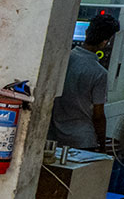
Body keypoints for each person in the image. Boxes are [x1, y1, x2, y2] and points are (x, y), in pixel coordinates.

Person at [48, 13, 118, 151]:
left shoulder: (62, 60)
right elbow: (98, 115)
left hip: (54, 136)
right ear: (105, 42)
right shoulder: (99, 73)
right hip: (82, 140)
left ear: (86, 32)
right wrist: (102, 144)